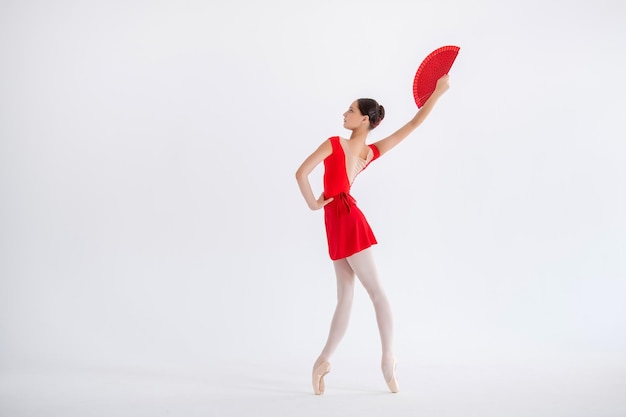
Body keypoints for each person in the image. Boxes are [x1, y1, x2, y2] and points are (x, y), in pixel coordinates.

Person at [295, 75, 450, 395]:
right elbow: (300, 173)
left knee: (363, 294)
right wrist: (313, 204)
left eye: (350, 110)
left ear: (364, 119)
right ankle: (338, 360)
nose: (344, 114)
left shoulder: (342, 145)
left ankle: (380, 358)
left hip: (342, 221)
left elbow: (412, 125)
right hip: (341, 220)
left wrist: (437, 93)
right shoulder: (355, 149)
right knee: (357, 295)